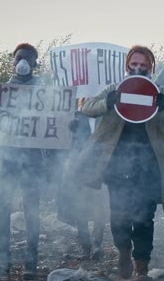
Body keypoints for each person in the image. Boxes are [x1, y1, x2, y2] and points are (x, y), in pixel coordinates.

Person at [72, 45, 164, 280]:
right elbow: (87, 108)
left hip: (150, 165)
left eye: (143, 66)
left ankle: (141, 267)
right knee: (119, 216)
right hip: (118, 164)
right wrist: (108, 102)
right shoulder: (114, 89)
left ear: (150, 68)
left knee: (145, 218)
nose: (138, 69)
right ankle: (124, 251)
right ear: (127, 66)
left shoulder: (160, 91)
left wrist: (162, 106)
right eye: (134, 65)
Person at [0, 43, 49, 279]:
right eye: (18, 58)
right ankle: (2, 263)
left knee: (31, 211)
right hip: (6, 158)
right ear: (13, 61)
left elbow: (55, 123)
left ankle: (31, 265)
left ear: (35, 64)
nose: (22, 63)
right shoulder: (0, 91)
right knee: (1, 209)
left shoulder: (47, 93)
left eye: (27, 59)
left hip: (32, 159)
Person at [57, 98, 107, 260]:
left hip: (97, 160)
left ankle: (97, 243)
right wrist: (70, 128)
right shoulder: (71, 106)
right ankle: (86, 245)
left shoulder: (103, 104)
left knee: (99, 203)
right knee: (80, 205)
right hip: (77, 160)